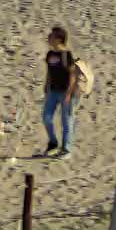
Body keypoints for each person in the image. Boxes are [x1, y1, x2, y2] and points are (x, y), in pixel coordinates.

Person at [40, 26, 79, 159]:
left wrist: (69, 94)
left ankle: (66, 149)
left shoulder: (67, 55)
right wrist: (46, 84)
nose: (49, 38)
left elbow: (73, 76)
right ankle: (53, 143)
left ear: (59, 39)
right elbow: (49, 71)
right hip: (53, 91)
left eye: (52, 36)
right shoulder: (50, 54)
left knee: (66, 121)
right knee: (46, 117)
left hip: (66, 93)